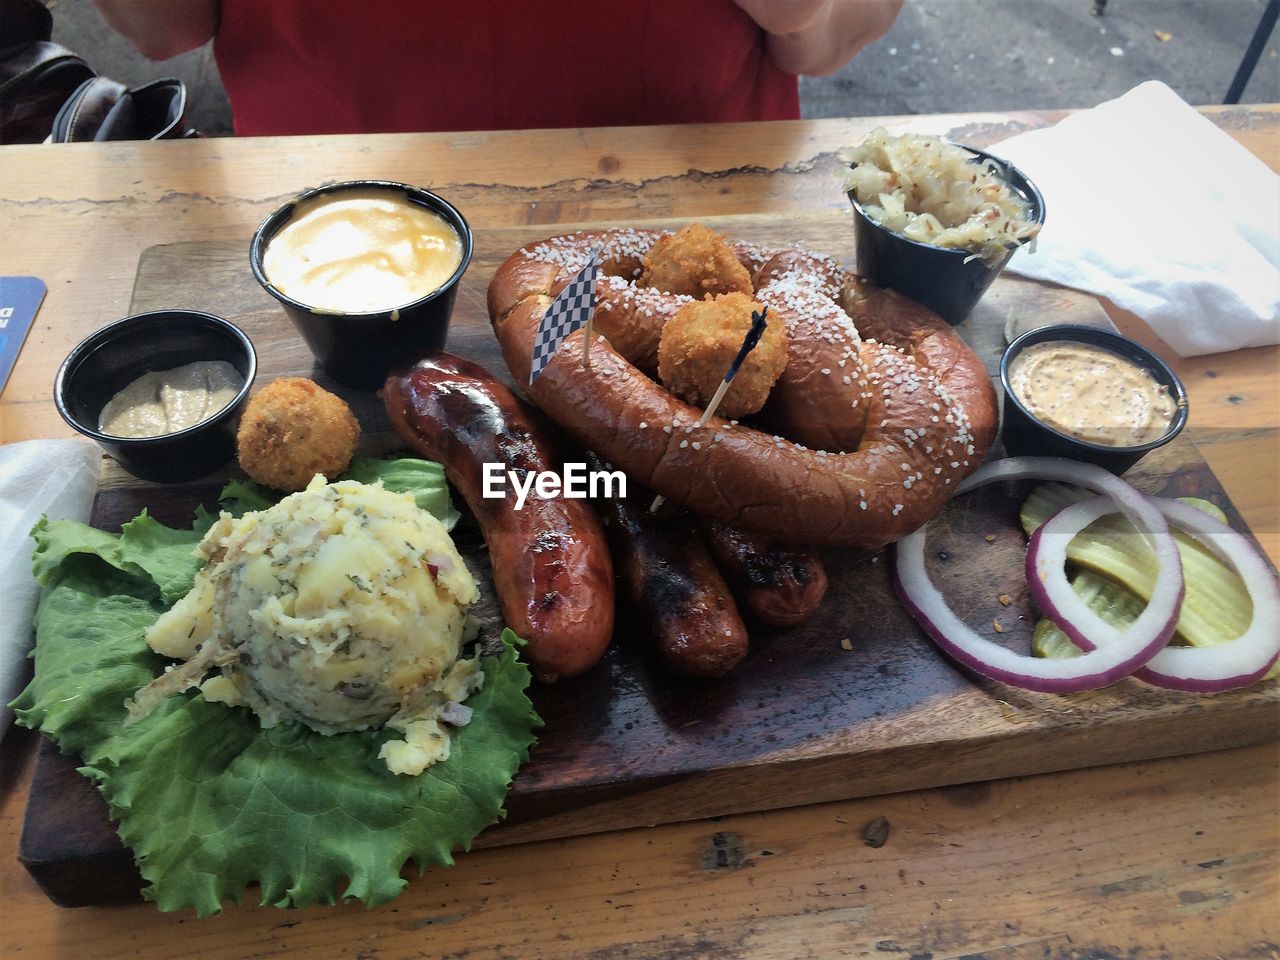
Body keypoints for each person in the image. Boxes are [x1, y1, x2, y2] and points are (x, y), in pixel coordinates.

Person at [89, 0, 903, 136]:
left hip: (704, 235)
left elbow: (832, 29)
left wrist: (810, 12)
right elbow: (164, 24)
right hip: (331, 242)